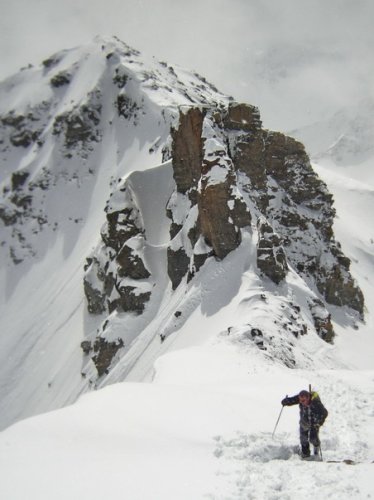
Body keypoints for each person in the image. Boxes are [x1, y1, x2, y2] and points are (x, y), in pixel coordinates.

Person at [282, 389, 328, 458]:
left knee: (313, 438)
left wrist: (318, 424)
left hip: (314, 423)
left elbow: (324, 413)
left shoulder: (316, 403)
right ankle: (305, 454)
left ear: (308, 398)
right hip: (304, 420)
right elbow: (294, 400)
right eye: (300, 400)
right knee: (303, 438)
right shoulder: (301, 398)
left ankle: (316, 449)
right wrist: (287, 401)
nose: (301, 402)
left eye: (303, 401)